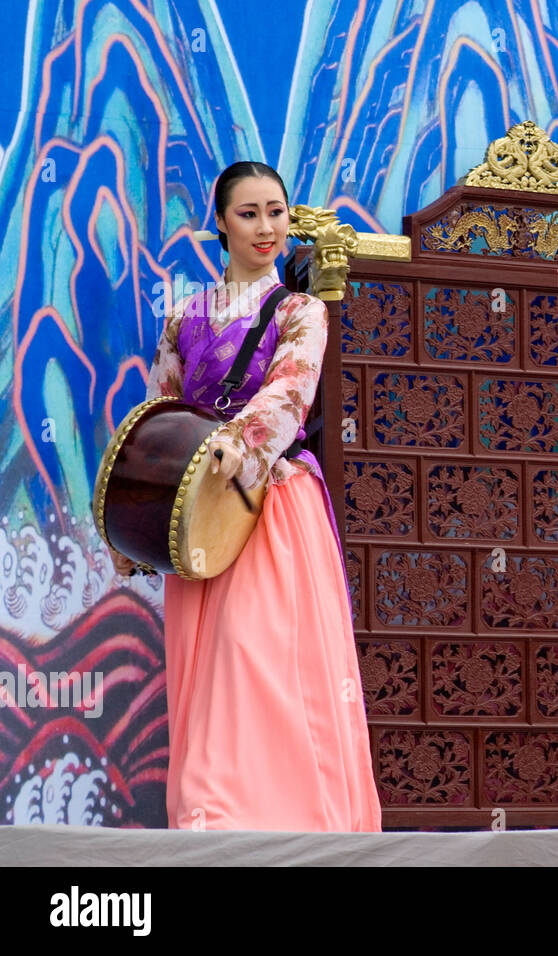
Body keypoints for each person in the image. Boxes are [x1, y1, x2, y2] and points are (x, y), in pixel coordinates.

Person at [109, 161, 383, 831]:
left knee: (257, 659)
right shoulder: (185, 317)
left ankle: (281, 816)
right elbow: (162, 415)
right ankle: (210, 815)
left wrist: (241, 444)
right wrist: (137, 521)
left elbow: (290, 391)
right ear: (220, 224)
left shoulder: (301, 312)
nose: (267, 228)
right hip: (196, 512)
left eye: (277, 212)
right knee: (205, 671)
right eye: (249, 213)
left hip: (271, 505)